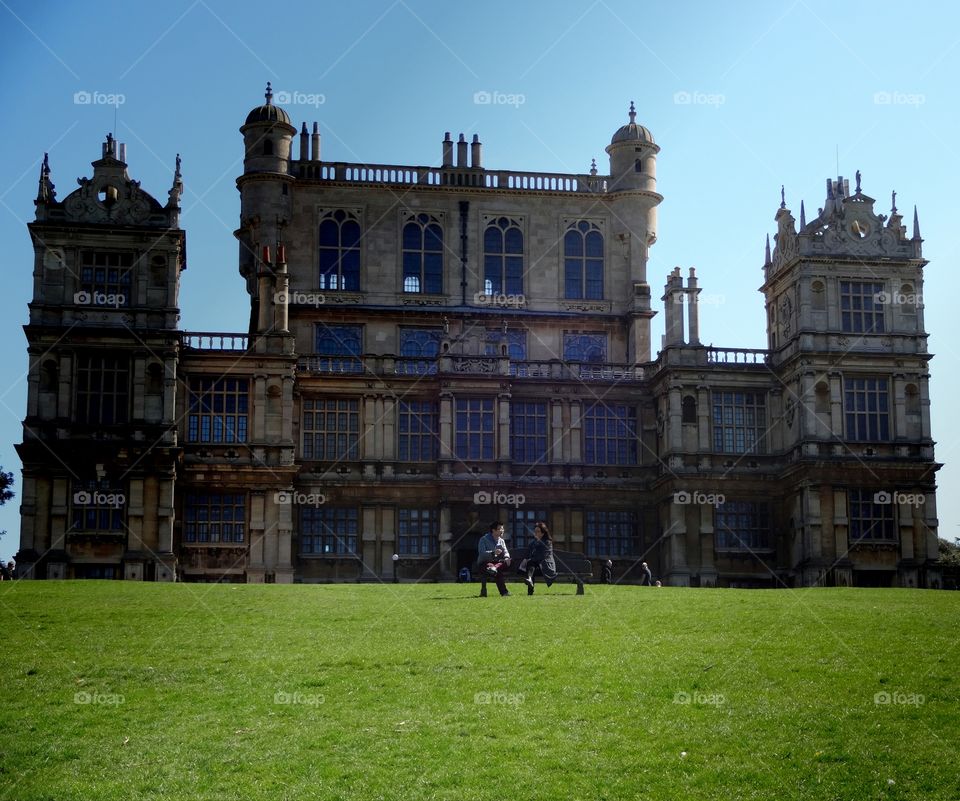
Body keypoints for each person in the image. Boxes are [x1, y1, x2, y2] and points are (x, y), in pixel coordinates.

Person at [520, 521, 557, 595]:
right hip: (535, 567)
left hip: (546, 567)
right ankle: (529, 580)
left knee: (531, 563)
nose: (535, 533)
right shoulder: (532, 543)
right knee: (531, 564)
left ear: (543, 533)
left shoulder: (547, 542)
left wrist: (531, 559)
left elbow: (543, 556)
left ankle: (530, 585)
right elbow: (528, 554)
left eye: (538, 531)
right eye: (535, 531)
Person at [477, 521, 511, 597]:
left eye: (502, 529)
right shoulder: (483, 539)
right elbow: (482, 554)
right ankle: (504, 592)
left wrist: (506, 557)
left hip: (497, 563)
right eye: (500, 529)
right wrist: (493, 552)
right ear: (493, 530)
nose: (502, 531)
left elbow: (506, 551)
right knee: (494, 568)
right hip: (485, 563)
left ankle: (494, 568)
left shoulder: (501, 541)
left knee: (507, 561)